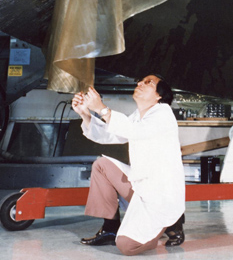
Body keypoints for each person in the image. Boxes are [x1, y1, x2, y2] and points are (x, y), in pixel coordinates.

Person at [71, 74, 185, 256]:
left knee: (126, 246)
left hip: (159, 195)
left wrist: (101, 108)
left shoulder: (163, 114)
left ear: (159, 96)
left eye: (148, 83)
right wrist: (85, 114)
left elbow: (132, 130)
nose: (139, 83)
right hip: (142, 186)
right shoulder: (138, 116)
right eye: (140, 81)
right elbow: (109, 135)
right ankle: (110, 228)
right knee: (102, 165)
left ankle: (168, 223)